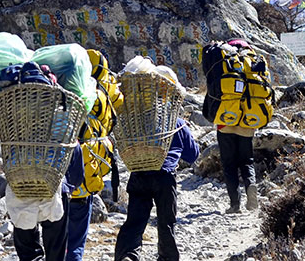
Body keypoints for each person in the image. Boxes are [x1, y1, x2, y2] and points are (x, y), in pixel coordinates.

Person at [113, 117, 199, 261]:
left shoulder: (136, 121)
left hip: (138, 173)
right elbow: (192, 155)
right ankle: (167, 257)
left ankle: (128, 254)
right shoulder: (176, 123)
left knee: (135, 220)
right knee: (166, 221)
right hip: (164, 176)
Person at [66, 49, 123, 261]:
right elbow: (116, 109)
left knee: (54, 237)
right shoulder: (101, 93)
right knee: (76, 238)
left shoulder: (62, 90)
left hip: (55, 179)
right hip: (85, 177)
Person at [205, 39, 259, 213]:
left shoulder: (225, 63)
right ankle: (252, 197)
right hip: (247, 123)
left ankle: (234, 205)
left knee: (229, 164)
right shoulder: (252, 62)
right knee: (247, 162)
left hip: (225, 122)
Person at [12, 142, 84, 261]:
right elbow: (77, 176)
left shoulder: (15, 136)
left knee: (27, 248)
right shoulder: (67, 135)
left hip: (20, 187)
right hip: (56, 192)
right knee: (56, 248)